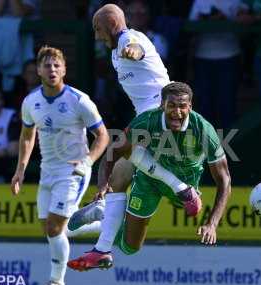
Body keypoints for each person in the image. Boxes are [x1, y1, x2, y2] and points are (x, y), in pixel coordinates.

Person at [68, 82, 232, 270]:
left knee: (194, 209)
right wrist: (103, 184)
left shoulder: (203, 130)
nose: (177, 112)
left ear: (190, 107)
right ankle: (103, 211)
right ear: (162, 105)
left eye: (182, 106)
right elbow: (113, 153)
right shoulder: (147, 121)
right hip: (150, 181)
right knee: (130, 247)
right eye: (171, 105)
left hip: (185, 185)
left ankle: (101, 215)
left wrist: (212, 224)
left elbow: (224, 180)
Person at [68, 4, 202, 232]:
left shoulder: (128, 38)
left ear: (110, 26)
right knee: (119, 176)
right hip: (147, 115)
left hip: (161, 110)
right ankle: (102, 224)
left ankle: (180, 187)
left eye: (97, 29)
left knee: (114, 153)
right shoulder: (113, 52)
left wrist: (133, 51)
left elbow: (136, 48)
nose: (97, 36)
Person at [10, 46, 109, 285]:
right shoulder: (31, 101)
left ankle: (57, 282)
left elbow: (103, 136)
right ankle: (104, 222)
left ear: (64, 69)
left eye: (56, 65)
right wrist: (20, 170)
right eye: (47, 65)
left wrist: (87, 161)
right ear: (38, 70)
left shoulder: (79, 100)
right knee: (50, 229)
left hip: (73, 171)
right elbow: (26, 135)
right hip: (47, 171)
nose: (52, 69)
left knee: (55, 228)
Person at [189, 0, 241, 129]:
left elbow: (243, 27)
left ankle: (229, 143)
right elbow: (190, 26)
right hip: (203, 56)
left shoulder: (235, 2)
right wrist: (205, 19)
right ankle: (206, 143)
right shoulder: (199, 2)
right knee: (205, 102)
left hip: (229, 55)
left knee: (227, 102)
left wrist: (224, 19)